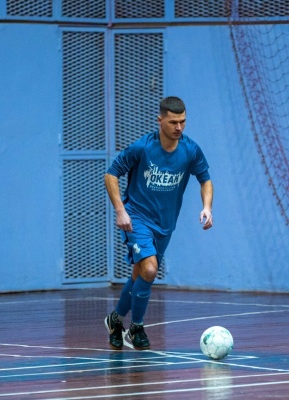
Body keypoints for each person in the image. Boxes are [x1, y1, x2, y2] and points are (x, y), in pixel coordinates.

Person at [104, 96, 213, 350]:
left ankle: (116, 320)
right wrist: (120, 210)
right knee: (151, 270)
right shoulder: (143, 148)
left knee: (140, 274)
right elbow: (111, 174)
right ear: (160, 120)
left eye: (183, 121)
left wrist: (207, 207)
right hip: (137, 218)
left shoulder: (190, 150)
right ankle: (136, 328)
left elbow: (205, 179)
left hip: (165, 224)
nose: (179, 127)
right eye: (173, 122)